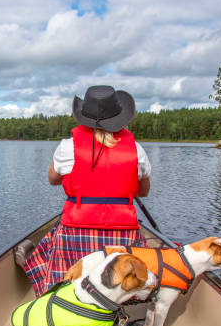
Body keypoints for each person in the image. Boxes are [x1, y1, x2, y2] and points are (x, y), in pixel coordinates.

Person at [24, 85, 151, 297]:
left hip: (76, 228)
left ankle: (56, 292)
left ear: (84, 116)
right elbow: (143, 191)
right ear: (119, 117)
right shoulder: (136, 150)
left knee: (46, 248)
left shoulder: (67, 147)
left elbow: (53, 179)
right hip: (123, 233)